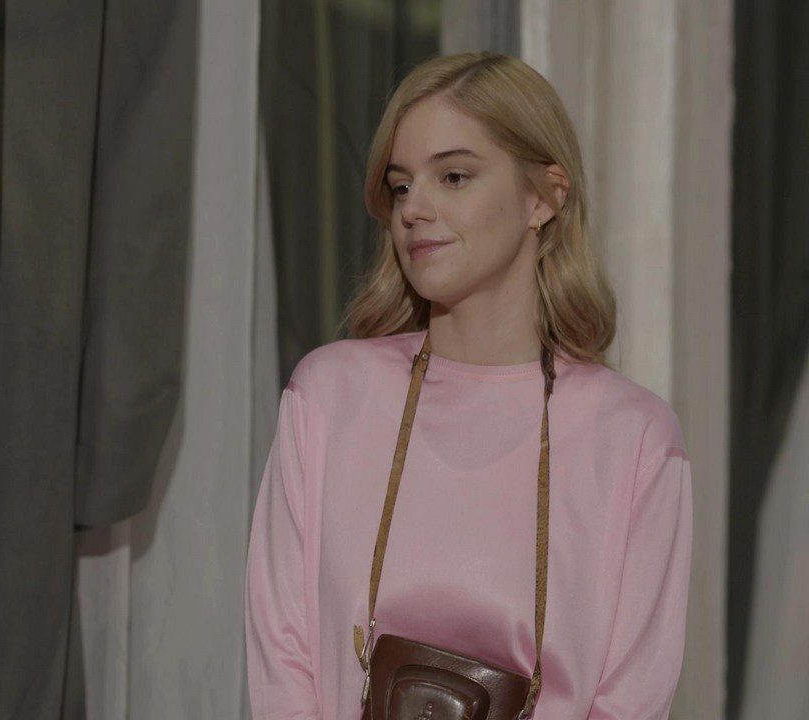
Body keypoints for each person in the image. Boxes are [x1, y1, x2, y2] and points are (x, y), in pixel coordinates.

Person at [244, 52, 693, 720]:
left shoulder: (633, 439)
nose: (414, 209)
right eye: (400, 186)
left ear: (543, 197)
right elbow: (284, 659)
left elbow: (631, 696)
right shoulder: (329, 398)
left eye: (453, 176)